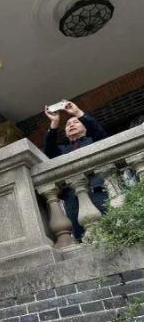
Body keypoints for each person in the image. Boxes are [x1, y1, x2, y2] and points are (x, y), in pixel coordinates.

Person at [43, 100, 108, 240]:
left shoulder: (93, 140)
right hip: (72, 199)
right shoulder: (62, 150)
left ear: (85, 128)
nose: (71, 125)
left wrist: (77, 112)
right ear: (65, 133)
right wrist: (54, 123)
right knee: (83, 238)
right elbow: (48, 150)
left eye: (76, 122)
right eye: (67, 124)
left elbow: (98, 131)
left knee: (109, 229)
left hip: (98, 191)